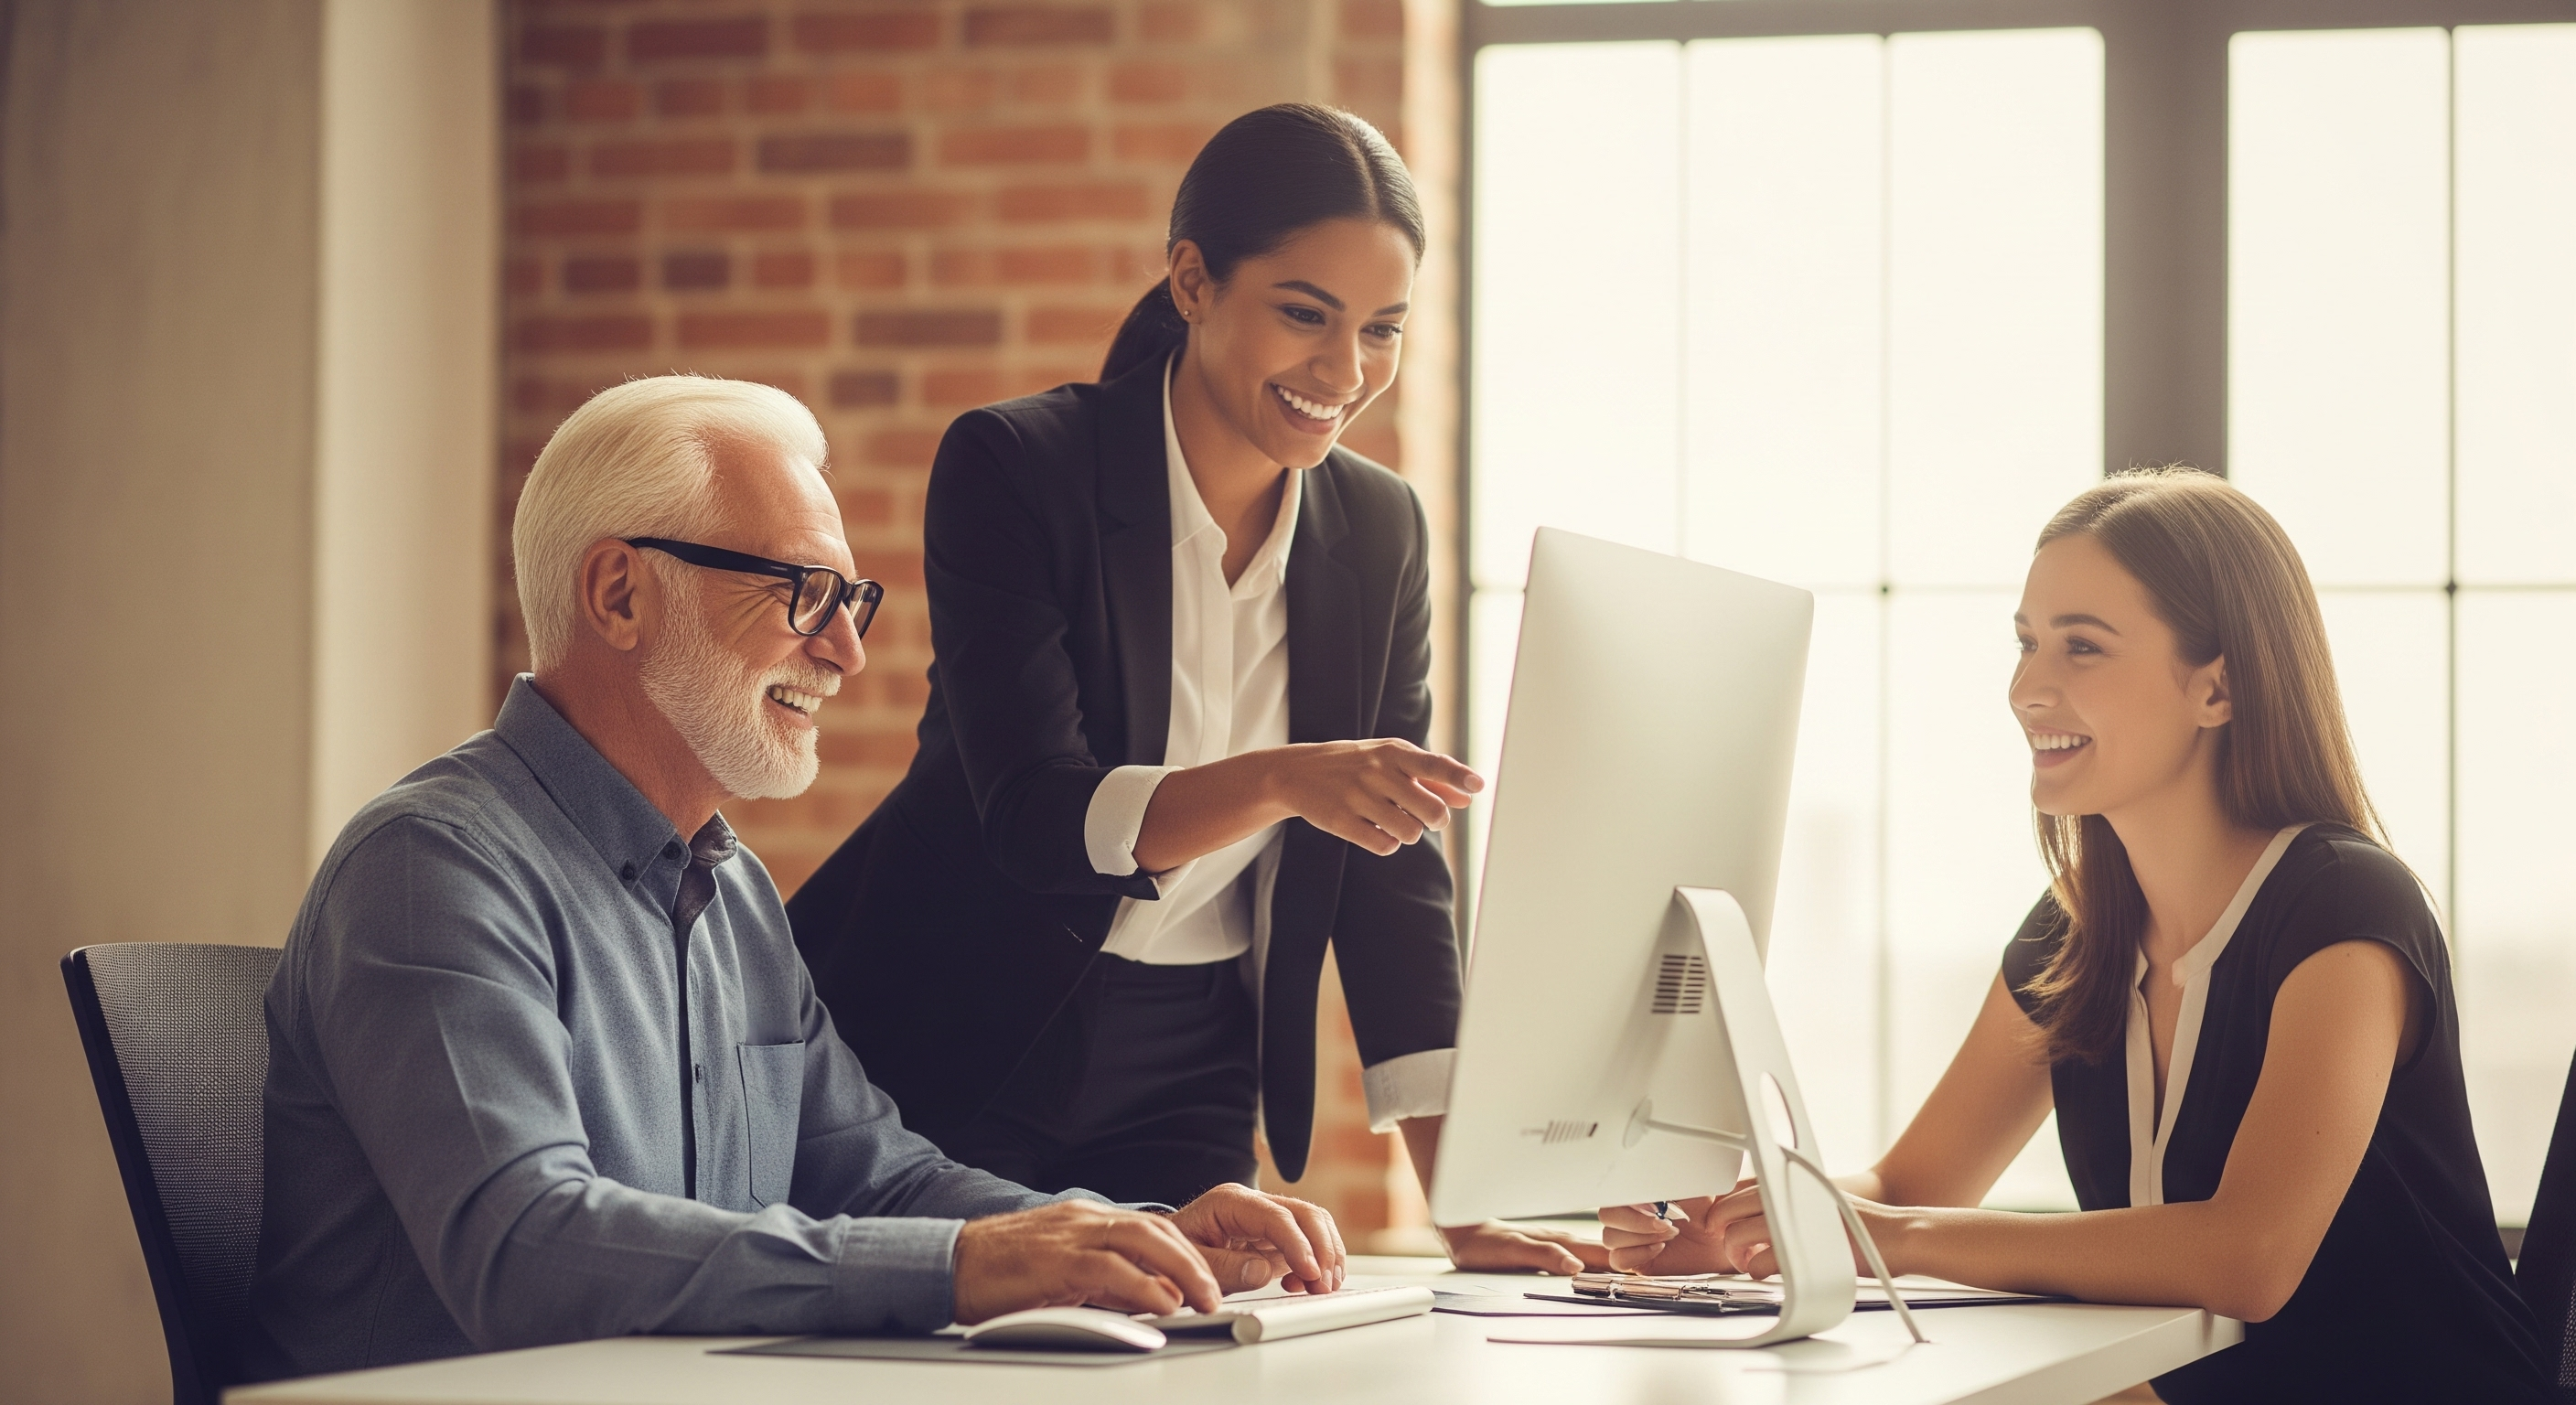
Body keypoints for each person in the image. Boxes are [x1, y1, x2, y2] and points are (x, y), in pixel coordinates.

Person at [243, 377, 1345, 1384]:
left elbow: (878, 1178)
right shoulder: (431, 869)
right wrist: (963, 1266)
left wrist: (1125, 1232)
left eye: (848, 601)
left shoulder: (734, 897)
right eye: (802, 592)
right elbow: (527, 1249)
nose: (847, 653)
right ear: (620, 595)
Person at [784, 103, 1599, 1274]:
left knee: (1200, 1348)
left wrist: (1458, 1210)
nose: (1344, 370)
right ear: (1192, 281)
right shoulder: (1017, 469)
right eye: (1304, 315)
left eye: (1382, 330)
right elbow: (1032, 815)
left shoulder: (1379, 530)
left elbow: (1390, 876)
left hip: (1194, 1061)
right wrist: (1280, 781)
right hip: (958, 1031)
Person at [1601, 469, 2551, 1402]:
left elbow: (2247, 1256)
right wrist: (1747, 1227)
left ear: (2216, 688)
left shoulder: (2343, 906)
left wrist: (1893, 1235)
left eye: (2080, 649)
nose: (2025, 688)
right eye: (2023, 644)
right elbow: (1913, 1178)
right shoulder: (2074, 931)